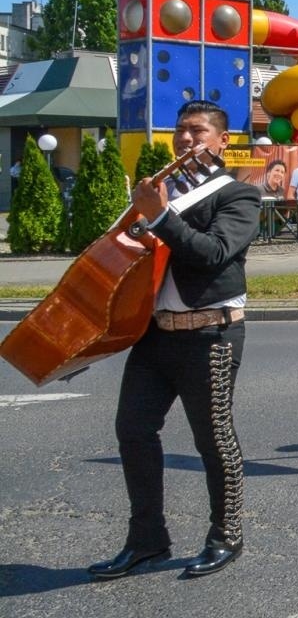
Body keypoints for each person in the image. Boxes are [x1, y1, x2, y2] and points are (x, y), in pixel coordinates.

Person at [88, 100, 262, 583]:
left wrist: (160, 214)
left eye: (198, 131)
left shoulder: (238, 194)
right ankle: (147, 540)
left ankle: (226, 535)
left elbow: (214, 253)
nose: (185, 139)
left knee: (213, 439)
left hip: (210, 333)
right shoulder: (160, 192)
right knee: (133, 430)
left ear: (222, 140)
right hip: (155, 334)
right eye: (180, 131)